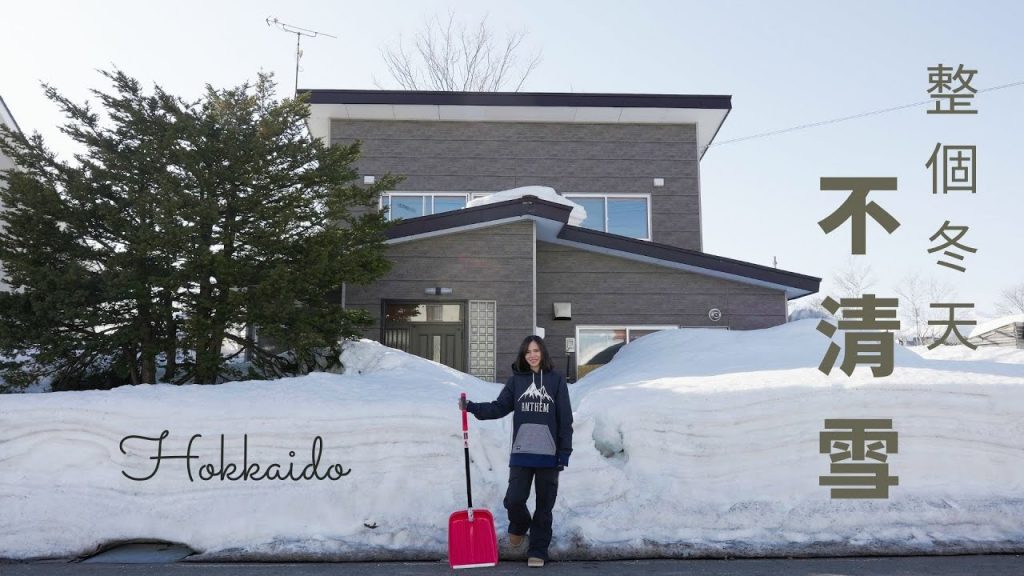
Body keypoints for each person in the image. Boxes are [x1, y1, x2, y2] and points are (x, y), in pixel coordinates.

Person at [459, 335, 573, 568]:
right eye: (527, 352)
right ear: (523, 355)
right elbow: (499, 407)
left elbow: (565, 419)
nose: (532, 355)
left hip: (549, 455)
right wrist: (472, 407)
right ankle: (519, 525)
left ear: (543, 353)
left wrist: (564, 452)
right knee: (514, 499)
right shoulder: (516, 382)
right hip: (522, 452)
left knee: (544, 506)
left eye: (536, 350)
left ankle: (538, 550)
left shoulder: (556, 381)